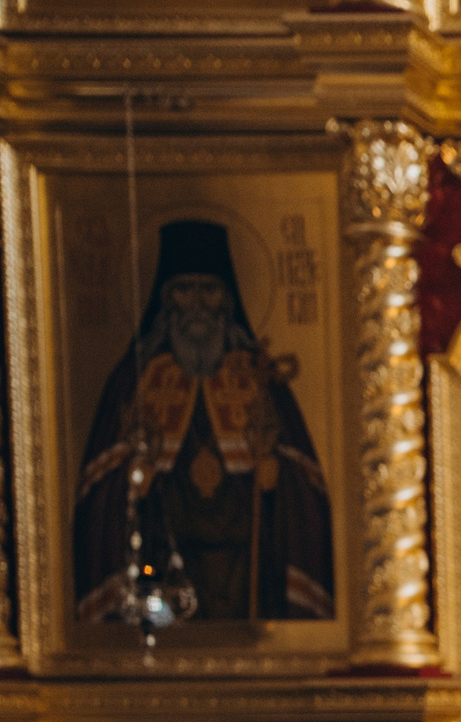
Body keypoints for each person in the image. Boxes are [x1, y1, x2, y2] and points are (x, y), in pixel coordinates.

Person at [72, 219, 335, 623]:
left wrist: (275, 476)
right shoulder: (136, 380)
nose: (197, 303)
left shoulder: (258, 377)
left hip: (245, 568)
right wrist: (132, 477)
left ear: (227, 301)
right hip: (162, 567)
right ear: (166, 299)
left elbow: (306, 491)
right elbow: (99, 494)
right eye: (184, 289)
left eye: (208, 290)